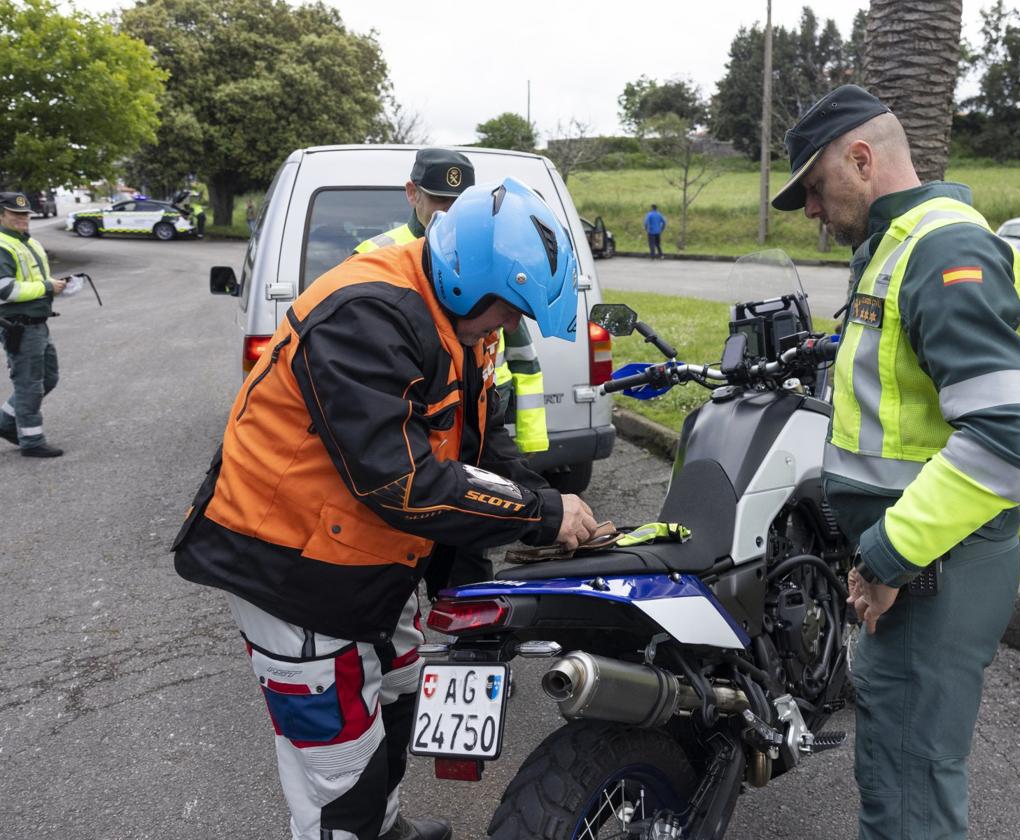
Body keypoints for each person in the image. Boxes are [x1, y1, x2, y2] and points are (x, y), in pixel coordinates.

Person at [173, 176, 597, 840]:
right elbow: (403, 482)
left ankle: (385, 825)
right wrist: (541, 514)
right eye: (511, 309)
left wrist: (547, 502)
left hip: (372, 556)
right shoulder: (364, 314)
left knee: (398, 700)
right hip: (295, 572)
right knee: (338, 772)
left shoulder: (460, 322)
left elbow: (469, 449)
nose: (513, 325)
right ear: (469, 283)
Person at [771, 85, 1020, 840]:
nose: (810, 211)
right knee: (900, 773)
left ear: (860, 160)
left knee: (907, 792)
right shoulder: (902, 247)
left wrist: (888, 557)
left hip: (935, 568)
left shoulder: (944, 248)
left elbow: (1009, 437)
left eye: (813, 188)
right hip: (922, 565)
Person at [354, 149, 550, 597]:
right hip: (413, 459)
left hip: (467, 440)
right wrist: (540, 512)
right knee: (394, 597)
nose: (448, 214)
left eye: (458, 204)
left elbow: (519, 354)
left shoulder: (486, 268)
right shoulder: (375, 266)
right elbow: (394, 470)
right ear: (411, 195)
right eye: (439, 201)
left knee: (470, 590)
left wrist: (537, 486)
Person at [0, 191, 68, 458]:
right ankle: (32, 440)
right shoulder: (3, 245)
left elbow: (38, 281)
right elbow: (5, 289)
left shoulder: (28, 242)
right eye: (16, 214)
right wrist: (46, 287)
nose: (22, 219)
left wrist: (58, 286)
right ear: (2, 215)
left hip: (38, 324)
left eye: (25, 214)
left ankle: (5, 423)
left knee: (48, 377)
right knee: (29, 384)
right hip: (19, 325)